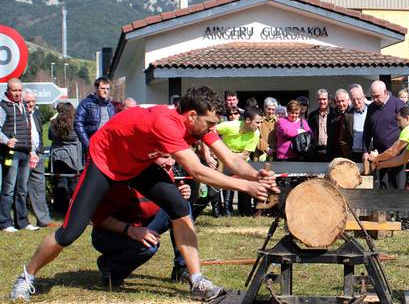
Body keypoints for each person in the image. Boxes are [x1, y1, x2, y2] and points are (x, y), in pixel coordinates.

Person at [8, 85, 278, 302]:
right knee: (70, 232)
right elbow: (197, 171)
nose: (211, 130)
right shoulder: (167, 123)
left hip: (138, 163)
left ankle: (196, 281)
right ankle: (26, 277)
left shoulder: (200, 125)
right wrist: (246, 187)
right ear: (192, 116)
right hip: (105, 162)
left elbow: (230, 160)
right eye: (209, 124)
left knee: (179, 206)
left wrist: (255, 176)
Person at [91, 154, 191, 287]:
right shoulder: (122, 179)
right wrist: (130, 230)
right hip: (110, 234)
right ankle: (110, 266)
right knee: (148, 247)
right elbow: (97, 217)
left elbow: (165, 204)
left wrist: (177, 195)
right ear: (149, 156)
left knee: (181, 206)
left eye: (172, 157)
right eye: (165, 157)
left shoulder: (165, 172)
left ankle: (182, 268)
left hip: (142, 226)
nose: (170, 163)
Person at [0, 78, 39, 233]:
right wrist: (6, 141)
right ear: (8, 91)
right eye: (14, 91)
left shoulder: (23, 106)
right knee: (9, 188)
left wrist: (31, 151)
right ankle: (5, 222)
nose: (17, 94)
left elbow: (27, 130)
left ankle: (22, 222)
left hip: (24, 152)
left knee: (22, 189)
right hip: (11, 153)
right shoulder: (3, 107)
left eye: (19, 90)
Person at [217, 107, 264, 217]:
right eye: (257, 122)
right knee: (225, 183)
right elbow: (211, 131)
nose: (260, 126)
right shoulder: (230, 125)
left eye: (261, 122)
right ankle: (227, 209)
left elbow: (244, 155)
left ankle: (246, 210)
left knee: (247, 184)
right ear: (247, 120)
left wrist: (225, 154)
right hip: (224, 160)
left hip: (240, 161)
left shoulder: (255, 133)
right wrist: (214, 148)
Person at [363, 80, 406, 189]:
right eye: (373, 97)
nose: (375, 99)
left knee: (397, 186)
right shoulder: (372, 107)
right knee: (382, 186)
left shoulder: (398, 104)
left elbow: (407, 128)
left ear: (385, 92)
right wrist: (365, 151)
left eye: (377, 96)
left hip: (397, 153)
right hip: (379, 155)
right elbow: (367, 131)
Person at [24, 90, 53, 228]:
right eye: (27, 102)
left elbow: (39, 132)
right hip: (23, 155)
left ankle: (44, 220)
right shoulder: (18, 114)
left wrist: (39, 150)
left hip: (38, 155)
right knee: (20, 189)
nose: (30, 104)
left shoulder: (36, 113)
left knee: (39, 189)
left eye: (33, 102)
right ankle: (22, 221)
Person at [48, 102, 84, 214]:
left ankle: (60, 209)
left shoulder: (54, 123)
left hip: (56, 156)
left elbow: (50, 136)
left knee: (60, 182)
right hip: (72, 157)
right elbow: (76, 137)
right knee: (73, 183)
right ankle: (72, 209)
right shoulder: (74, 123)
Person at [74, 77, 116, 152]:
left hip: (107, 146)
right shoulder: (86, 103)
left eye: (107, 89)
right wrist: (87, 144)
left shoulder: (110, 106)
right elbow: (78, 124)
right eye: (102, 88)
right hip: (92, 145)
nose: (105, 91)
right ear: (96, 88)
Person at [348, 84, 370, 163]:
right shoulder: (348, 115)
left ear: (363, 97)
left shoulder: (371, 112)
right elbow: (343, 138)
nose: (356, 102)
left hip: (370, 153)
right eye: (353, 100)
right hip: (354, 154)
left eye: (358, 99)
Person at [308, 89, 331, 161]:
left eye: (324, 99)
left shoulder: (334, 114)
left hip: (331, 151)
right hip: (316, 151)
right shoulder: (312, 115)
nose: (322, 102)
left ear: (329, 100)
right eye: (319, 99)